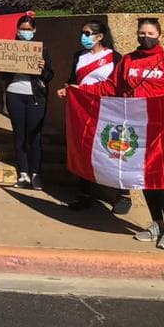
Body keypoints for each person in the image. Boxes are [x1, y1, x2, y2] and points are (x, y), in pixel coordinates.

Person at [61, 17, 164, 251]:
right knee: (145, 179)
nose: (144, 37)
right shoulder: (128, 60)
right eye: (141, 33)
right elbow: (110, 87)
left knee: (162, 179)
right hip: (135, 130)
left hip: (161, 130)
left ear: (159, 35)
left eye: (149, 33)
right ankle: (156, 224)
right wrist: (80, 90)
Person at [65, 21, 131, 214]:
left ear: (100, 36)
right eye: (82, 33)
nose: (84, 37)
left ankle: (122, 194)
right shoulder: (79, 56)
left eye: (88, 33)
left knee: (111, 150)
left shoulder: (114, 58)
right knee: (84, 150)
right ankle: (85, 194)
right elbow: (73, 81)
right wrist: (66, 89)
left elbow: (119, 85)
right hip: (83, 110)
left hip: (107, 110)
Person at [0, 14, 53, 190]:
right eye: (22, 29)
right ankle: (23, 173)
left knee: (34, 136)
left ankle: (36, 173)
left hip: (35, 95)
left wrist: (42, 68)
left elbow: (50, 75)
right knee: (19, 135)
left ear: (34, 30)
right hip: (15, 93)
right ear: (17, 30)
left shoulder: (42, 49)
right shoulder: (8, 48)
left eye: (28, 29)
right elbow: (2, 75)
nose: (25, 32)